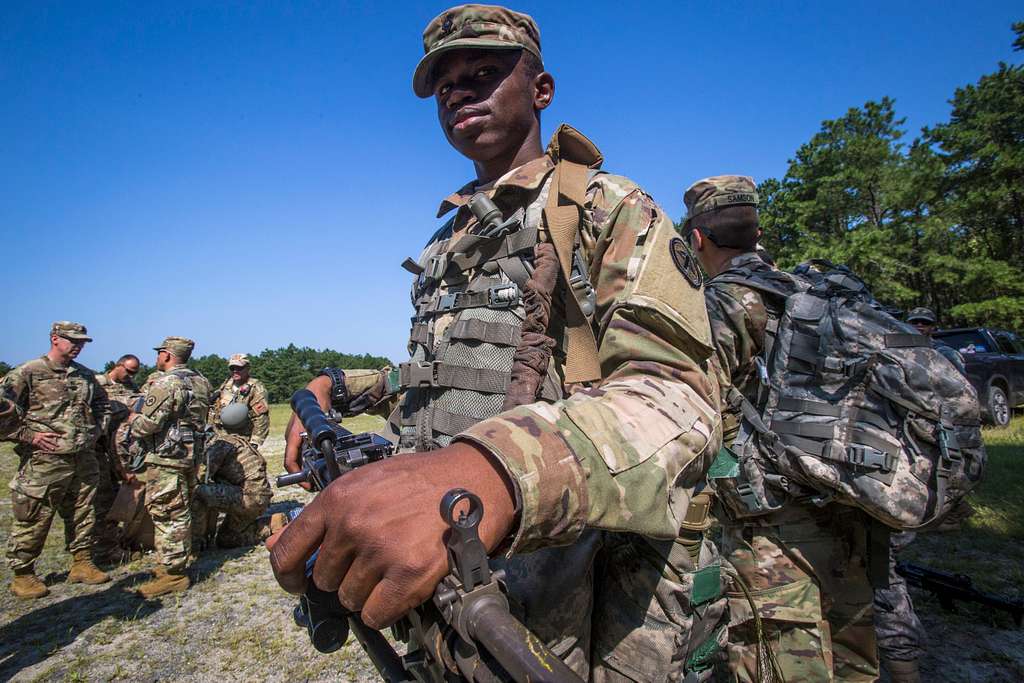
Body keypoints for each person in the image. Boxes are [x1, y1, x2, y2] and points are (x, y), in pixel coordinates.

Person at [271, 5, 728, 680]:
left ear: (541, 90)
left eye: (483, 73)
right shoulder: (448, 238)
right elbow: (438, 370)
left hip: (559, 557)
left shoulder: (604, 207)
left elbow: (680, 401)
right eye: (445, 85)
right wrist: (337, 387)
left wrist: (493, 468)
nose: (460, 92)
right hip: (444, 561)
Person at [686, 176, 878, 681]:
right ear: (758, 232)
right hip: (842, 498)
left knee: (782, 657)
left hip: (770, 525)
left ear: (698, 240)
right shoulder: (809, 291)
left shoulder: (722, 303)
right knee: (852, 653)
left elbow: (692, 404)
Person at [2, 321, 111, 599]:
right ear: (54, 339)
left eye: (82, 342)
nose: (78, 346)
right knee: (34, 514)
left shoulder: (85, 375)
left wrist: (96, 430)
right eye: (72, 340)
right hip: (45, 459)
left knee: (83, 510)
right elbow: (3, 411)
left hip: (82, 456)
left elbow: (102, 404)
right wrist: (28, 435)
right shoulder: (29, 372)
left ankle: (82, 562)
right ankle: (23, 573)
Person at [126, 336, 211, 598]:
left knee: (168, 512)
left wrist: (133, 419)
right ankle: (171, 563)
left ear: (166, 355)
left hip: (167, 456)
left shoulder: (167, 383)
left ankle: (173, 574)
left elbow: (148, 425)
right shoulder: (201, 382)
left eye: (159, 354)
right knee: (180, 507)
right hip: (190, 455)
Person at [193, 404, 281, 549]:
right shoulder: (242, 443)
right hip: (259, 498)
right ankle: (272, 524)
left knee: (198, 492)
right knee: (226, 539)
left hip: (247, 497)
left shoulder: (222, 444)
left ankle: (195, 543)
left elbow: (202, 476)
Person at [91, 354, 143, 562]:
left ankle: (114, 542)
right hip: (99, 448)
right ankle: (104, 548)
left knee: (117, 498)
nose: (131, 375)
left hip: (120, 448)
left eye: (135, 373)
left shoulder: (132, 387)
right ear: (117, 365)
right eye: (129, 371)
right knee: (103, 500)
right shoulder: (97, 383)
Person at [208, 354, 270, 450]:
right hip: (220, 436)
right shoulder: (226, 385)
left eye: (239, 368)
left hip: (242, 438)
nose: (235, 371)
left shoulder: (255, 388)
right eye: (232, 368)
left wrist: (255, 442)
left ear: (247, 368)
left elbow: (261, 417)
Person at [905, 307, 966, 374]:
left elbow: (961, 379)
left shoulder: (943, 351)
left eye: (925, 322)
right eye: (915, 322)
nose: (919, 325)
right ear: (907, 325)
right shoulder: (901, 349)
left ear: (933, 327)